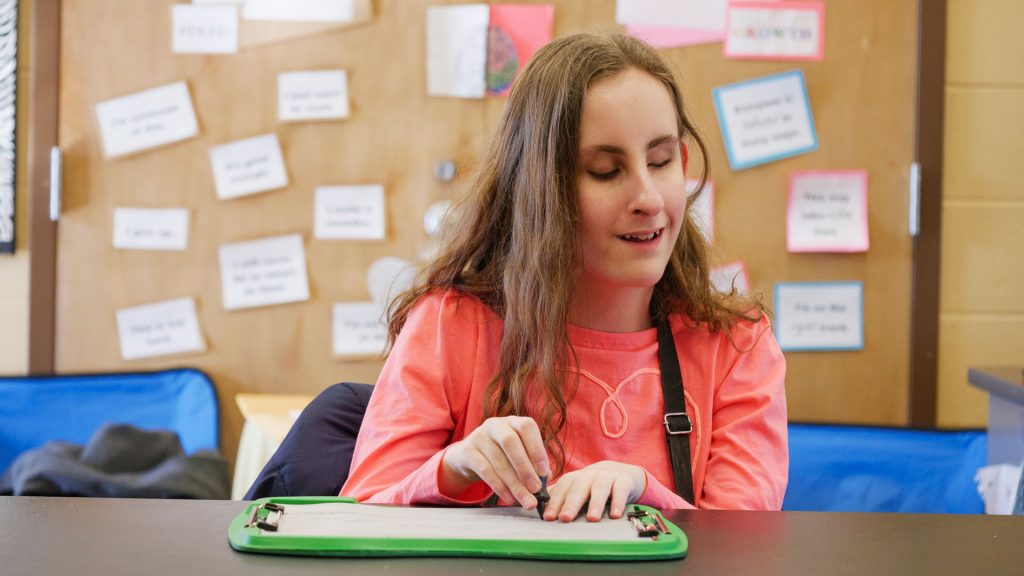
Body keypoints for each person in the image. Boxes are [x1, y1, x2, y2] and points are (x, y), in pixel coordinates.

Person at [341, 32, 787, 521]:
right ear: (540, 190)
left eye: (660, 163)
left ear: (681, 163)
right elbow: (357, 515)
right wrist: (454, 468)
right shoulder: (450, 326)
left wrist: (645, 493)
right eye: (605, 171)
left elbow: (746, 549)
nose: (650, 199)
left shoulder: (736, 346)